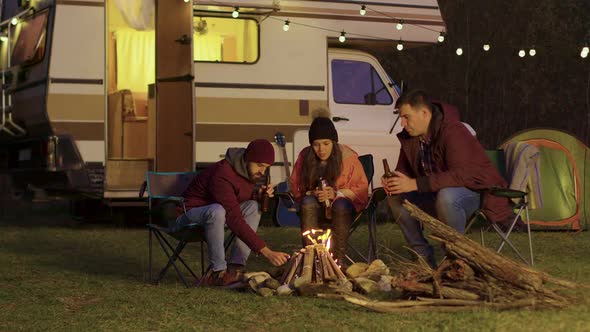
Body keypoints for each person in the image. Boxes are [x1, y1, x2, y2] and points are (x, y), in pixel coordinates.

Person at [382, 90, 519, 267]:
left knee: (447, 197)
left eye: (406, 117)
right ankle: (422, 258)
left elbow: (461, 175)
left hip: (473, 191)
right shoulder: (412, 138)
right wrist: (394, 181)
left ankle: (456, 258)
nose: (402, 123)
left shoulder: (453, 131)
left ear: (424, 113)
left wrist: (415, 184)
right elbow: (404, 169)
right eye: (401, 118)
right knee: (395, 197)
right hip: (433, 192)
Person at [174, 139, 290, 286]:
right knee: (217, 210)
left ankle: (235, 268)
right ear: (248, 159)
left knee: (253, 206)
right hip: (188, 214)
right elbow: (234, 218)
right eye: (260, 165)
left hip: (216, 214)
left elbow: (236, 198)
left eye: (266, 167)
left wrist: (258, 195)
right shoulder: (222, 173)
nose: (262, 171)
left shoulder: (247, 171)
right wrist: (266, 251)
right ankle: (218, 272)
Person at [290, 113, 369, 265]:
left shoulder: (347, 157)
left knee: (340, 204)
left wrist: (336, 193)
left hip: (342, 210)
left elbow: (361, 189)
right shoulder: (305, 156)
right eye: (316, 144)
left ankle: (336, 262)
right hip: (315, 209)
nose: (321, 149)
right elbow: (295, 186)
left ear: (333, 142)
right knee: (307, 202)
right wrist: (311, 192)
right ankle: (311, 261)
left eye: (326, 143)